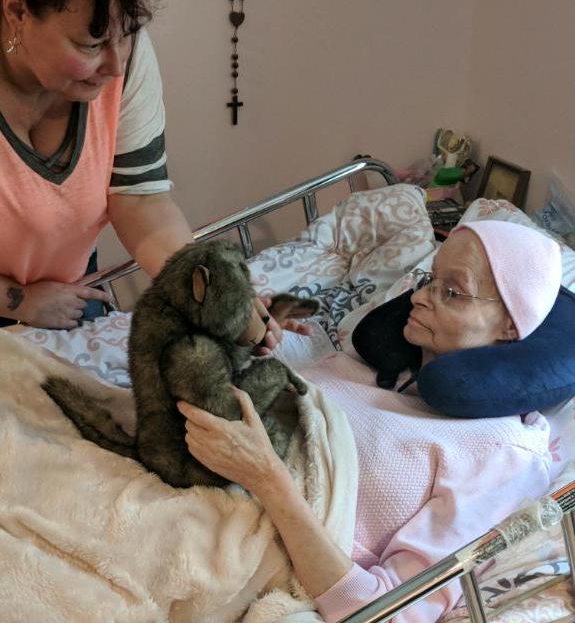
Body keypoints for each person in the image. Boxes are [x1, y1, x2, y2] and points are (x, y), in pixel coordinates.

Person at [178, 220, 563, 623]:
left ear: (510, 325)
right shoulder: (362, 366)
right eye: (428, 279)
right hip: (185, 487)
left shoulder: (502, 454)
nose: (419, 297)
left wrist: (267, 479)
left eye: (451, 291)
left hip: (239, 559)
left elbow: (388, 612)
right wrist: (240, 342)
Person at [0, 0, 304, 348]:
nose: (116, 65)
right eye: (89, 44)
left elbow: (140, 201)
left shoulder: (121, 57)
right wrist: (18, 301)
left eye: (127, 35)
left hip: (63, 293)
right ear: (17, 9)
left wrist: (209, 291)